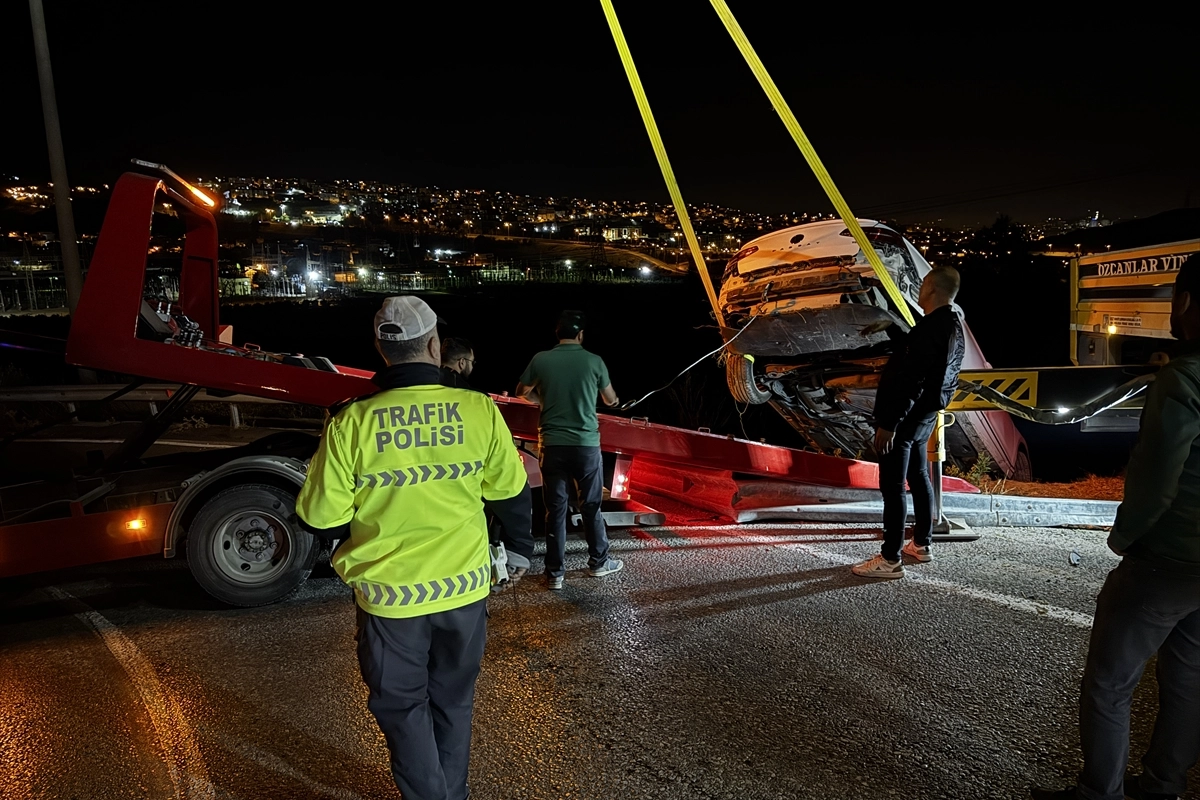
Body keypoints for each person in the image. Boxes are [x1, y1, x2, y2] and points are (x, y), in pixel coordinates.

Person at [296, 296, 531, 800]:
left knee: (402, 709)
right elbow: (510, 492)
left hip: (390, 597)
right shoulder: (479, 409)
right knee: (453, 701)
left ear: (382, 351)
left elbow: (319, 516)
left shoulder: (350, 422)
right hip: (465, 590)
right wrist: (519, 551)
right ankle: (454, 792)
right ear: (434, 345)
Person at [1032, 254, 1200, 800]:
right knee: (1188, 681)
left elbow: (1157, 479)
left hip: (1167, 559)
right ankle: (1162, 787)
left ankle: (1100, 792)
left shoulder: (1183, 382)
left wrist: (1127, 537)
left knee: (1109, 683)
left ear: (1188, 304)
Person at [852, 267, 965, 579]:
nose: (918, 288)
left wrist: (889, 423)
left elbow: (912, 379)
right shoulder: (951, 324)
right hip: (925, 417)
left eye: (922, 284)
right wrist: (891, 327)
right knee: (918, 477)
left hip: (904, 418)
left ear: (930, 288)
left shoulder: (932, 328)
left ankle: (890, 559)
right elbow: (919, 354)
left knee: (893, 487)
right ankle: (922, 544)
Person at [516, 310, 623, 590]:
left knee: (555, 509)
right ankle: (599, 563)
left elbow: (521, 391)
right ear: (580, 335)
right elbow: (610, 400)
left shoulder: (541, 359)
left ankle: (555, 574)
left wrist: (544, 401)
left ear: (558, 334)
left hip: (551, 445)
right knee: (590, 505)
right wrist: (615, 401)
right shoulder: (594, 361)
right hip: (585, 445)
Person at [438, 335, 535, 588]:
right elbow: (507, 484)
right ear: (461, 363)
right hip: (463, 554)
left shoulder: (380, 403)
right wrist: (518, 548)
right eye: (471, 362)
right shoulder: (478, 404)